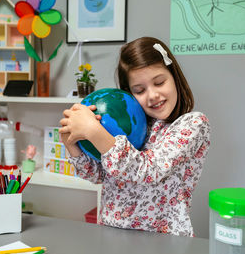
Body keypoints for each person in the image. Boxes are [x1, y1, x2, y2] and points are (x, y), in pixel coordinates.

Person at [59, 37, 210, 236]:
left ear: (174, 77)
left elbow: (149, 171)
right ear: (128, 94)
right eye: (139, 90)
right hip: (113, 236)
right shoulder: (131, 126)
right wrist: (72, 143)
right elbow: (99, 175)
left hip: (163, 243)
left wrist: (94, 132)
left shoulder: (192, 124)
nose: (153, 95)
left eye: (159, 82)